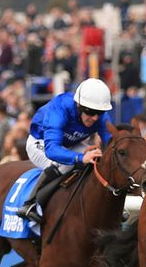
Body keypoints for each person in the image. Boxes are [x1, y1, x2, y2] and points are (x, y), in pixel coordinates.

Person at [17, 78, 113, 223]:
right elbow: (52, 150)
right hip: (41, 142)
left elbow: (110, 142)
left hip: (70, 144)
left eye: (99, 113)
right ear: (79, 105)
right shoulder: (60, 108)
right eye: (90, 112)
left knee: (97, 159)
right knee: (66, 163)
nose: (95, 118)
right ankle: (30, 202)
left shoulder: (99, 115)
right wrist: (80, 158)